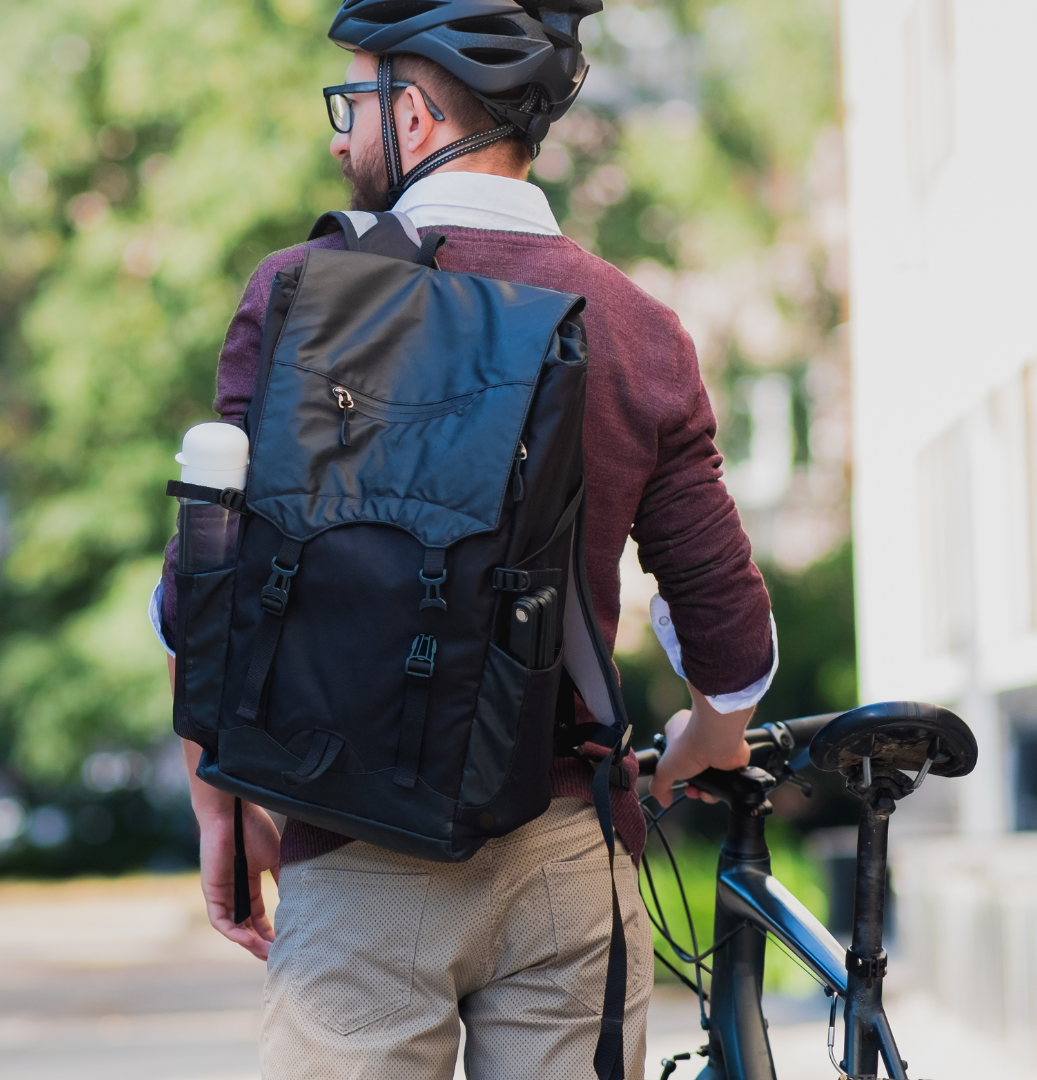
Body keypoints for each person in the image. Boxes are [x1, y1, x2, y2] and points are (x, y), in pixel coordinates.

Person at [154, 1, 777, 1075]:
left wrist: (222, 793)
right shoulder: (635, 327)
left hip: (351, 846)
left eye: (353, 104)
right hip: (566, 858)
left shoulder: (302, 293)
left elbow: (200, 589)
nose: (343, 135)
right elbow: (729, 637)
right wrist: (707, 740)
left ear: (414, 115)